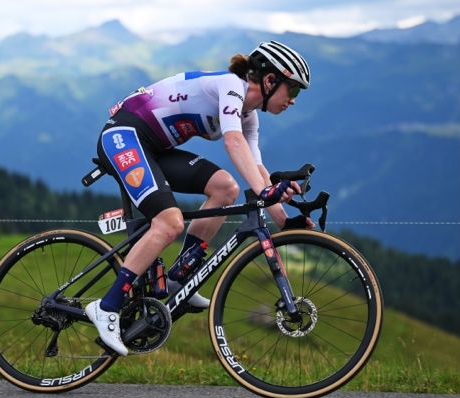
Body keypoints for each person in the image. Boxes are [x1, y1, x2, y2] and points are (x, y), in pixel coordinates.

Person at [86, 40, 315, 356]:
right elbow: (233, 143)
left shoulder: (249, 116)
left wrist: (285, 221)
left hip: (154, 148)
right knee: (169, 223)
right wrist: (266, 192)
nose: (293, 99)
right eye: (294, 89)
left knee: (225, 188)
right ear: (270, 79)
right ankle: (106, 307)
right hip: (123, 136)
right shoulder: (232, 86)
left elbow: (257, 171)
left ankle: (178, 279)